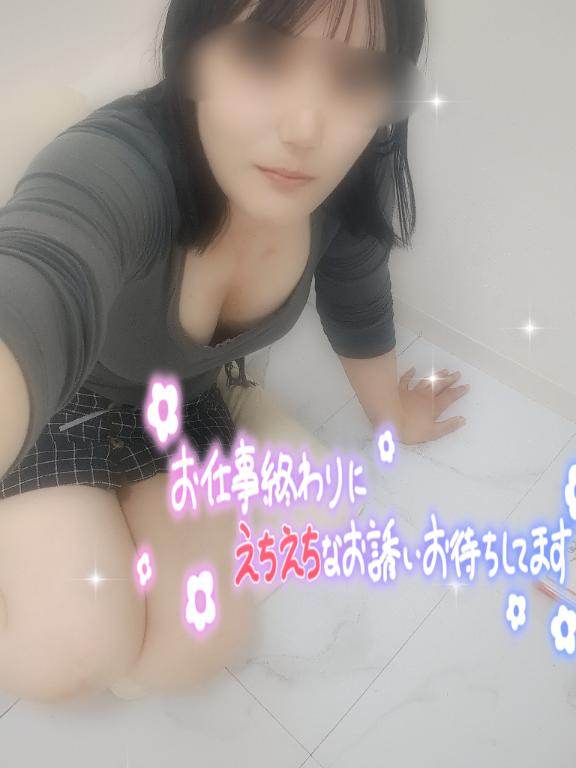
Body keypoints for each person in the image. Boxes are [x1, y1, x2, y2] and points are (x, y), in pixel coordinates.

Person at [0, 0, 467, 703]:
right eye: (262, 57)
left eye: (355, 77)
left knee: (197, 645)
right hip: (60, 402)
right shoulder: (116, 164)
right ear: (192, 52)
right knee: (71, 653)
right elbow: (39, 278)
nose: (304, 128)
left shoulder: (347, 187)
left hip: (182, 406)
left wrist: (394, 415)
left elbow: (358, 302)